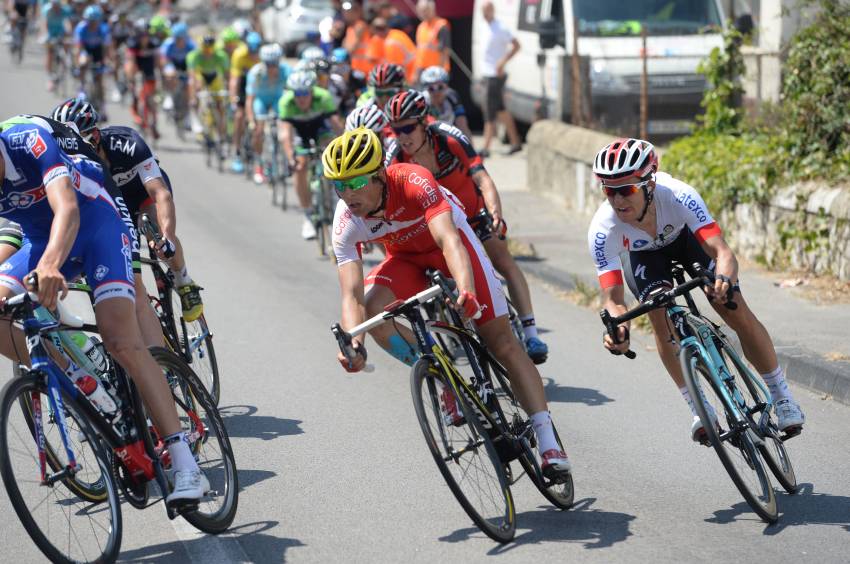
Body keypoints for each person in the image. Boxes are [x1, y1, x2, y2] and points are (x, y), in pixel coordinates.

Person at [325, 128, 570, 479]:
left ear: (379, 173)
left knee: (501, 342)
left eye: (356, 181)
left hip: (450, 249)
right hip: (406, 260)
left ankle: (548, 441)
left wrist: (466, 291)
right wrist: (354, 342)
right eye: (338, 185)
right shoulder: (346, 219)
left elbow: (450, 241)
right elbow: (350, 295)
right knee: (373, 309)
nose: (347, 194)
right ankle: (444, 381)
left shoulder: (413, 180)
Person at [0, 115, 207, 502]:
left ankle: (185, 462)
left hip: (97, 221)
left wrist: (48, 265)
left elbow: (69, 211)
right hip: (38, 239)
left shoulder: (27, 140)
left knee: (120, 340)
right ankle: (82, 382)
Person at [588, 138, 806, 440]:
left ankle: (782, 396)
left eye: (626, 190)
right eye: (609, 191)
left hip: (687, 240)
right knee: (658, 317)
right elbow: (613, 299)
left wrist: (724, 282)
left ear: (649, 184)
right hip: (645, 256)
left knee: (733, 308)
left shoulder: (678, 195)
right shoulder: (603, 229)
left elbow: (723, 253)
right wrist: (618, 330)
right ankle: (700, 407)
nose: (617, 200)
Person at [385, 90, 550, 363]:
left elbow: (483, 179)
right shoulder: (396, 157)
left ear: (423, 122)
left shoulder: (447, 137)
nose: (402, 136)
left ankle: (531, 334)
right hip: (439, 225)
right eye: (395, 129)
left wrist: (496, 214)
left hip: (473, 212)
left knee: (503, 260)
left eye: (407, 128)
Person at [52, 98, 206, 325]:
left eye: (74, 141)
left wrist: (168, 238)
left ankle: (184, 281)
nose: (69, 148)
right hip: (111, 206)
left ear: (94, 136)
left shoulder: (126, 143)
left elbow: (160, 193)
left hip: (142, 194)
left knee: (160, 241)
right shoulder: (66, 161)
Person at [277, 70, 343, 240]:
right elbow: (285, 134)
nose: (301, 98)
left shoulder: (324, 97)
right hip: (299, 132)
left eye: (305, 93)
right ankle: (307, 215)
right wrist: (291, 156)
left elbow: (336, 125)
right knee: (299, 166)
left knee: (333, 154)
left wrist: (345, 148)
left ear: (312, 91)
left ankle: (335, 197)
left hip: (319, 128)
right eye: (297, 93)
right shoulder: (286, 102)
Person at [479, 1, 521, 158]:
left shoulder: (500, 28)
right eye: (483, 11)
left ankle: (486, 147)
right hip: (488, 74)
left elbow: (516, 45)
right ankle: (515, 142)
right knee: (501, 110)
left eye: (487, 11)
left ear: (492, 10)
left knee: (490, 111)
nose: (484, 14)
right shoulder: (485, 27)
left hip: (495, 75)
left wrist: (503, 62)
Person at [245, 43, 291, 184]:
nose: (272, 67)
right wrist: (251, 120)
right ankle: (259, 165)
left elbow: (291, 94)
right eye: (268, 64)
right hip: (261, 101)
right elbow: (250, 100)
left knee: (284, 127)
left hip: (277, 99)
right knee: (258, 131)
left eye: (274, 64)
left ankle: (285, 159)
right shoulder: (256, 73)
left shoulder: (286, 70)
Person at [187, 34, 230, 145]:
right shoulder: (194, 55)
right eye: (205, 48)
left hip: (214, 78)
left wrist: (229, 92)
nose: (207, 51)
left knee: (220, 104)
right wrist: (193, 97)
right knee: (198, 86)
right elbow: (192, 77)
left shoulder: (221, 55)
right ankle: (201, 126)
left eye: (210, 48)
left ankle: (221, 132)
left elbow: (227, 75)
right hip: (201, 77)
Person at [229, 31, 262, 174]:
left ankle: (259, 157)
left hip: (257, 86)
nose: (253, 54)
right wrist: (233, 99)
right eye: (251, 51)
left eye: (255, 51)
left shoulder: (262, 56)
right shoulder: (239, 54)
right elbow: (234, 79)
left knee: (260, 120)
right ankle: (236, 152)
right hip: (243, 85)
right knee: (239, 116)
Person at [124, 18, 162, 138]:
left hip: (150, 69)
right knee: (138, 91)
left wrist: (160, 74)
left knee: (153, 98)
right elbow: (130, 61)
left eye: (146, 34)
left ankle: (154, 123)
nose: (144, 38)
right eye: (142, 35)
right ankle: (139, 114)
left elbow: (158, 60)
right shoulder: (132, 43)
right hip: (138, 70)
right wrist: (131, 79)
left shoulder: (154, 43)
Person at [419, 65, 472, 140]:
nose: (436, 92)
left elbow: (463, 126)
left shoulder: (452, 97)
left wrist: (471, 150)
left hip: (448, 136)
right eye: (431, 88)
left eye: (440, 87)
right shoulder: (422, 101)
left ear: (446, 86)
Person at [159, 21, 195, 115]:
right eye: (176, 39)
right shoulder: (168, 43)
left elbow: (196, 59)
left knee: (190, 85)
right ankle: (169, 96)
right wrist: (166, 70)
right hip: (172, 63)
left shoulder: (191, 44)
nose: (178, 41)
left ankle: (189, 114)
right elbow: (163, 59)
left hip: (186, 64)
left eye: (180, 39)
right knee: (170, 74)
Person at [413, 0, 449, 79]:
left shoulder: (441, 25)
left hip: (436, 71)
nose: (423, 13)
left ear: (432, 9)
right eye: (421, 11)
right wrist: (416, 72)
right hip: (422, 70)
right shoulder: (421, 27)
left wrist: (440, 72)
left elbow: (444, 50)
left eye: (426, 10)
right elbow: (419, 51)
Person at [43, 0, 73, 92]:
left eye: (57, 5)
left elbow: (68, 23)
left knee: (66, 45)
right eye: (54, 5)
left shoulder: (65, 10)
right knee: (50, 52)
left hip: (61, 34)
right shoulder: (47, 10)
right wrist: (45, 35)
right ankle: (49, 77)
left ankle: (66, 62)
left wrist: (69, 33)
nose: (55, 7)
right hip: (51, 34)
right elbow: (44, 23)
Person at [341, 0, 372, 75]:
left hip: (365, 70)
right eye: (345, 11)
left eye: (350, 11)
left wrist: (346, 46)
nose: (346, 14)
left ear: (357, 12)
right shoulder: (350, 28)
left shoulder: (360, 26)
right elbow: (344, 46)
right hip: (356, 68)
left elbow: (350, 48)